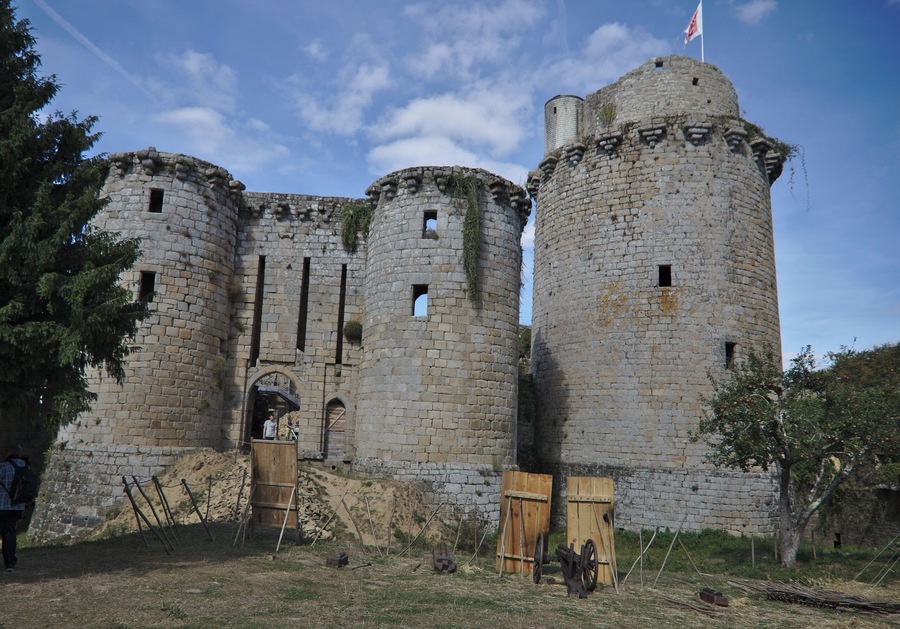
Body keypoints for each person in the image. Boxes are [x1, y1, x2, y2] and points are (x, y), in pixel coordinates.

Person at [0, 445, 27, 573]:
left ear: (10, 452)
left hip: (2, 505)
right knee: (10, 534)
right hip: (17, 507)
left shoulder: (4, 466)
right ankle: (10, 564)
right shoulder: (26, 467)